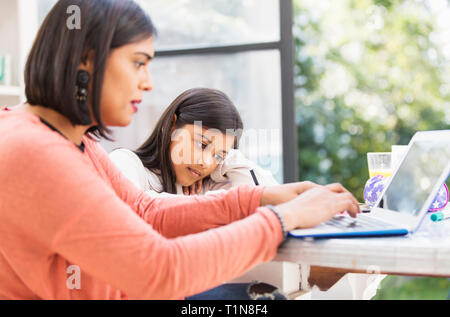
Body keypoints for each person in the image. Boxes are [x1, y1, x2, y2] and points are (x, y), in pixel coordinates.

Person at [0, 0, 360, 300]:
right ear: (85, 61)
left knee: (260, 299)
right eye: (139, 62)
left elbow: (145, 211)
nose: (148, 81)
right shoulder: (36, 151)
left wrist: (264, 197)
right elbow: (161, 269)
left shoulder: (70, 139)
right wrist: (284, 219)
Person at [108, 87, 278, 198]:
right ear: (172, 126)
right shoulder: (126, 163)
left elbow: (269, 201)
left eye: (218, 156)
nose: (205, 163)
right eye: (202, 145)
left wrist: (232, 158)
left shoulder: (207, 187)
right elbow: (136, 209)